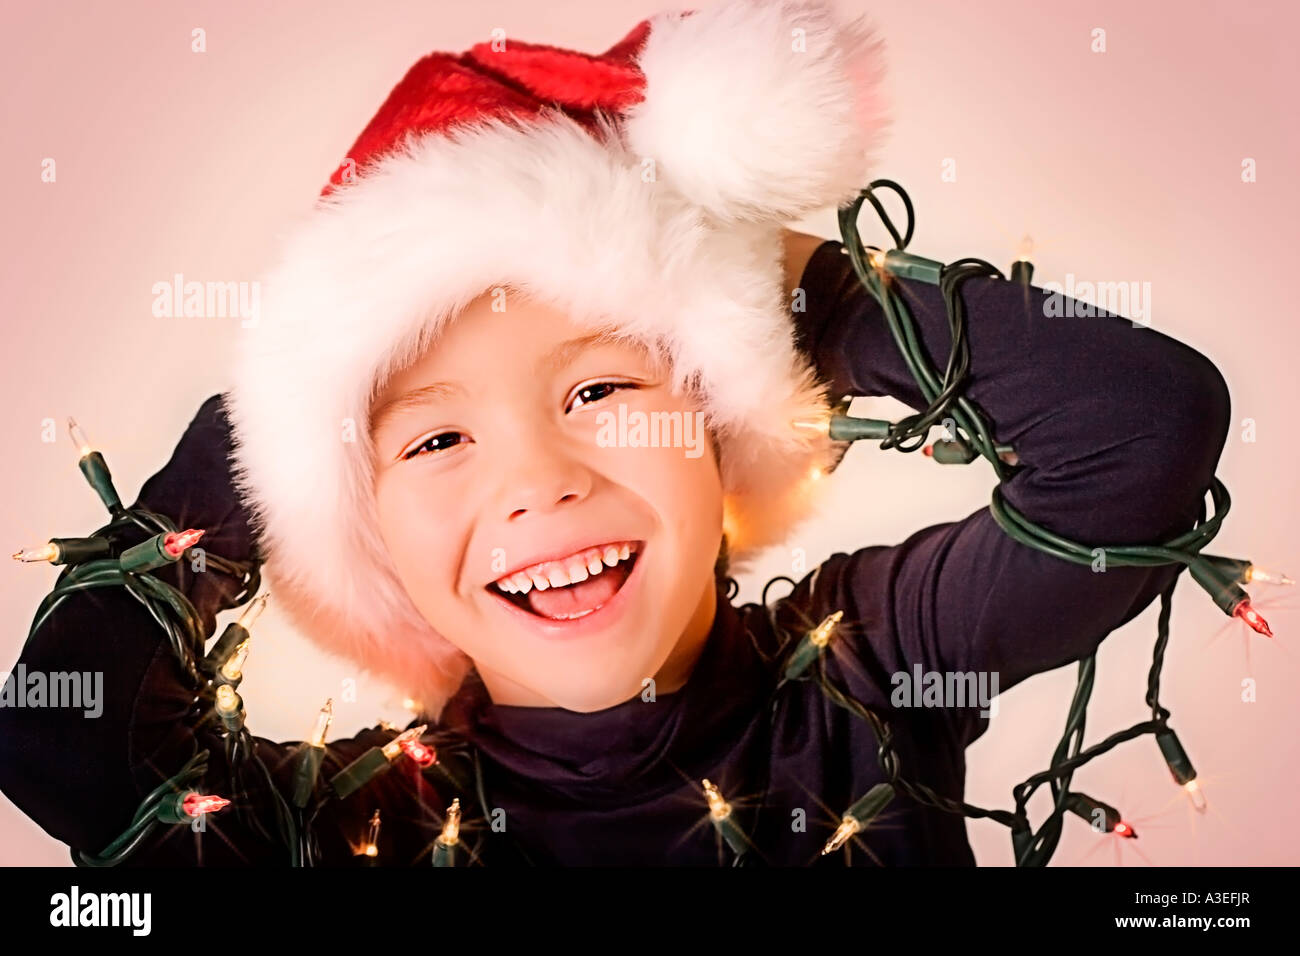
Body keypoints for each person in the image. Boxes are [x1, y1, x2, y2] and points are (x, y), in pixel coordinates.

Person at [0, 0, 1230, 865]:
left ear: (716, 411)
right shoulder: (352, 822)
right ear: (355, 522)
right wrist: (279, 416)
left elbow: (1140, 428)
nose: (539, 481)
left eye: (600, 391)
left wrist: (782, 285)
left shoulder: (867, 671)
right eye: (433, 442)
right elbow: (63, 740)